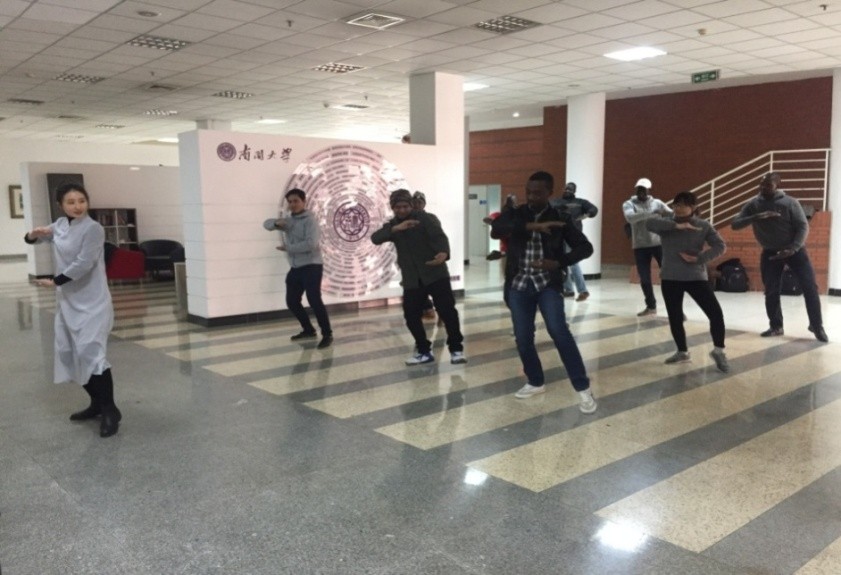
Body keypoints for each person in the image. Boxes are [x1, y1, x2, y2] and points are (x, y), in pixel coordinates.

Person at [491, 171, 597, 413]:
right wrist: (533, 226)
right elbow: (497, 229)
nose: (531, 197)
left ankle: (583, 388)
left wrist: (558, 262)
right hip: (519, 284)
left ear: (550, 192)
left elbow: (585, 247)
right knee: (523, 337)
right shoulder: (517, 213)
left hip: (547, 283)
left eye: (537, 193)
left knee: (559, 331)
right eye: (528, 192)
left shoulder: (561, 217)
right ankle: (535, 381)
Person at [24, 183, 121, 438]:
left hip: (93, 302)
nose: (77, 206)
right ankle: (96, 402)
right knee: (69, 352)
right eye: (71, 202)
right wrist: (32, 234)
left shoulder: (93, 228)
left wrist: (55, 281)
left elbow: (84, 263)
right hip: (68, 301)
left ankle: (110, 410)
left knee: (91, 352)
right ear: (61, 205)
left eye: (81, 201)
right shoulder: (60, 225)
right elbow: (38, 238)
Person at [371, 189, 467, 365]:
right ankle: (423, 351)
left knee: (447, 312)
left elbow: (440, 237)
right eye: (397, 207)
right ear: (392, 207)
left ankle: (456, 349)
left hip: (435, 274)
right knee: (411, 316)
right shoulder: (392, 225)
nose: (402, 210)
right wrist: (396, 229)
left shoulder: (425, 218)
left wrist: (444, 253)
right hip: (412, 280)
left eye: (405, 206)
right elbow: (375, 238)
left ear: (411, 205)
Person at [731, 172, 827, 342]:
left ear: (777, 185)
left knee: (810, 287)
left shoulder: (790, 203)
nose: (763, 188)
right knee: (771, 290)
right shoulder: (753, 204)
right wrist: (756, 217)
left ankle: (816, 325)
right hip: (770, 252)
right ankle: (776, 326)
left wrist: (793, 248)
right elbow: (735, 224)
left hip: (795, 251)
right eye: (761, 184)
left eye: (768, 185)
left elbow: (803, 226)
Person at [646, 191, 729, 372]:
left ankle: (718, 351)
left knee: (715, 313)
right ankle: (682, 352)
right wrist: (678, 226)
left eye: (683, 205)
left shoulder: (703, 225)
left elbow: (720, 245)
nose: (679, 208)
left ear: (694, 207)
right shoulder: (667, 224)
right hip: (670, 277)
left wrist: (700, 258)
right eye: (676, 205)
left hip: (695, 277)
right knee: (675, 316)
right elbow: (649, 223)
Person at [273, 188, 333, 349]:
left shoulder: (310, 221)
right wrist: (275, 224)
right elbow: (267, 225)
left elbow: (311, 244)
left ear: (304, 201)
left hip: (312, 265)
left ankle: (327, 334)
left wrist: (289, 248)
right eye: (290, 202)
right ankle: (308, 329)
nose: (293, 204)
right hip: (296, 267)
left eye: (296, 201)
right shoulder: (289, 221)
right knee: (292, 301)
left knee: (314, 300)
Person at [623, 177, 672, 316]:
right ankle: (651, 307)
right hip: (640, 246)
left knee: (669, 276)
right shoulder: (628, 204)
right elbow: (630, 218)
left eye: (644, 189)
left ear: (649, 190)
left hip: (659, 244)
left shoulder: (657, 203)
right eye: (639, 189)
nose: (641, 192)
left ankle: (674, 309)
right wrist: (652, 214)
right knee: (644, 278)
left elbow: (671, 214)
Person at [551, 182, 598, 301]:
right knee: (563, 262)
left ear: (574, 191)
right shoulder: (556, 201)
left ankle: (583, 290)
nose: (567, 190)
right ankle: (569, 289)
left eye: (570, 189)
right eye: (566, 188)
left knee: (573, 262)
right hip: (559, 236)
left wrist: (587, 214)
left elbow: (593, 209)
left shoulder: (580, 202)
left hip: (573, 237)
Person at [412, 191, 437, 321]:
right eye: (414, 202)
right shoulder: (408, 220)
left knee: (434, 286)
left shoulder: (431, 218)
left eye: (419, 202)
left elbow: (437, 237)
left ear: (424, 204)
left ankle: (436, 310)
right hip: (414, 260)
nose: (417, 205)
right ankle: (425, 308)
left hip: (429, 258)